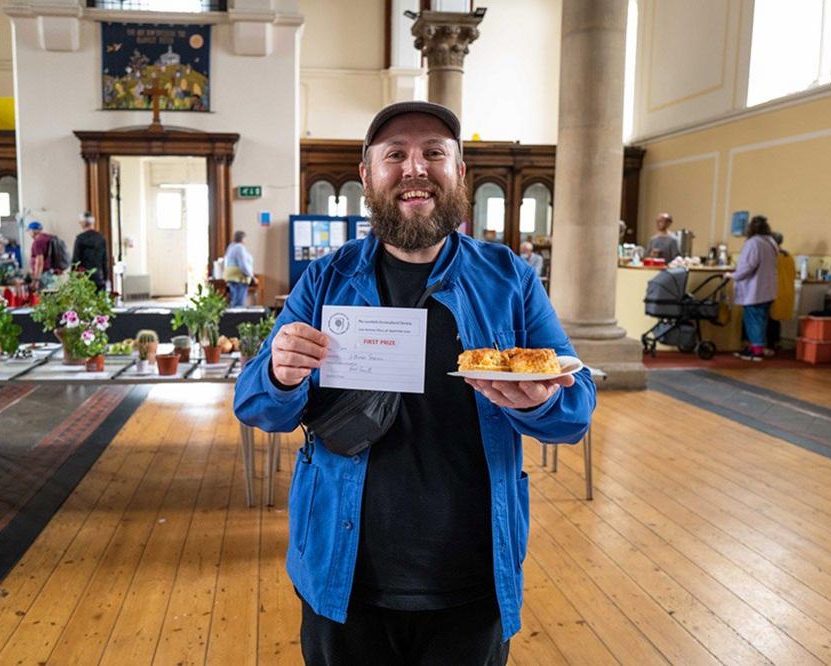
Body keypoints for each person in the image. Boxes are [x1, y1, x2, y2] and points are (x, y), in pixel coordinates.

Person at [234, 101, 595, 665]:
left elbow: (576, 409)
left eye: (433, 153)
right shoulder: (326, 278)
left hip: (472, 576)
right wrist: (279, 373)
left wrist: (542, 402)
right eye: (394, 155)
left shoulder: (509, 279)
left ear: (460, 173)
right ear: (367, 176)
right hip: (343, 571)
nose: (414, 168)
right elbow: (255, 404)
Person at [727, 215, 778, 361]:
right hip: (767, 289)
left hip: (755, 289)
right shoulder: (771, 242)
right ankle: (755, 346)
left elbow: (748, 265)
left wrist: (733, 275)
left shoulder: (753, 243)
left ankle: (756, 350)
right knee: (761, 320)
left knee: (753, 319)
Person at [766, 231, 795, 354]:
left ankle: (769, 345)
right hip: (786, 290)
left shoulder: (771, 255)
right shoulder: (788, 256)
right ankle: (775, 342)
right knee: (775, 318)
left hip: (773, 290)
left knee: (769, 318)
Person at [72, 211, 108, 291]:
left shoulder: (80, 238)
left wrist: (73, 278)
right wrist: (105, 277)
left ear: (83, 223)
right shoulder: (101, 238)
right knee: (99, 302)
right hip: (98, 277)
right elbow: (105, 259)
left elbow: (76, 260)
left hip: (84, 278)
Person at [223, 230, 255, 307]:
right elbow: (243, 264)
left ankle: (234, 317)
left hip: (232, 276)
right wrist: (251, 276)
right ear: (242, 238)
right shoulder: (239, 248)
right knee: (239, 302)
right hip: (239, 277)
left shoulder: (231, 247)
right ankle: (238, 318)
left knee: (235, 299)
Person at [27, 220, 53, 288]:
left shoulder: (38, 242)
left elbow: (39, 263)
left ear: (33, 231)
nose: (29, 233)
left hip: (43, 275)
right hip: (50, 273)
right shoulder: (47, 237)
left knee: (43, 296)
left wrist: (36, 280)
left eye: (29, 231)